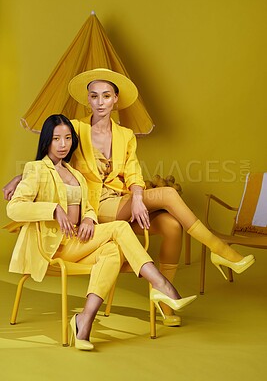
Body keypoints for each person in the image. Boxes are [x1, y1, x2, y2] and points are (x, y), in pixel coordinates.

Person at [3, 69, 255, 326]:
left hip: (121, 202)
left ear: (115, 99)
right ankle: (218, 249)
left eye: (106, 96)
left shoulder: (126, 135)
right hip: (95, 205)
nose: (100, 102)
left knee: (171, 226)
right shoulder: (76, 128)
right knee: (167, 193)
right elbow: (52, 155)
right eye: (94, 96)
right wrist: (19, 177)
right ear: (87, 100)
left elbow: (134, 172)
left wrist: (137, 197)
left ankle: (165, 304)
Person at [6, 114, 197, 351]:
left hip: (78, 241)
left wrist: (88, 218)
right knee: (120, 228)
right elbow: (13, 209)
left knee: (112, 251)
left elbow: (88, 206)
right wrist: (53, 209)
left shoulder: (76, 175)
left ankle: (84, 320)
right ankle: (162, 285)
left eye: (67, 138)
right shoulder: (36, 169)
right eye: (56, 139)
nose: (63, 144)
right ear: (47, 141)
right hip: (54, 247)